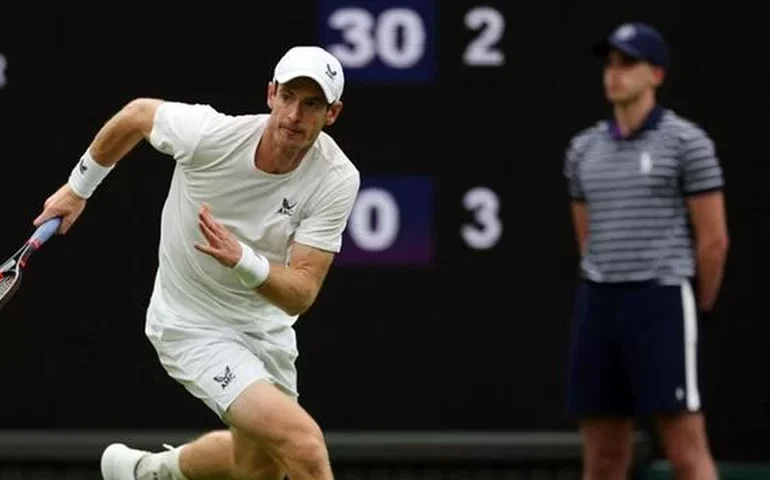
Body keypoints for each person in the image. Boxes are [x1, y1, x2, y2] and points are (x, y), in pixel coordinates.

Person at [33, 45, 360, 480]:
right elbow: (137, 115)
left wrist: (243, 261)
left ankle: (147, 472)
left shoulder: (336, 178)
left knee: (260, 468)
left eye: (312, 104)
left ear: (332, 113)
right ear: (270, 94)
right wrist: (78, 190)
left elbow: (300, 294)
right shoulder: (210, 135)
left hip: (266, 329)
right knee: (303, 445)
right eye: (287, 97)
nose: (294, 115)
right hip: (189, 323)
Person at [562, 23, 729, 480]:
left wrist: (695, 306)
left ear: (656, 74)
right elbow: (588, 237)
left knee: (685, 449)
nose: (614, 74)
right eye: (610, 64)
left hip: (661, 299)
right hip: (599, 303)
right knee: (603, 456)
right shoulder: (582, 150)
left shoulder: (687, 143)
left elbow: (713, 240)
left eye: (628, 64)